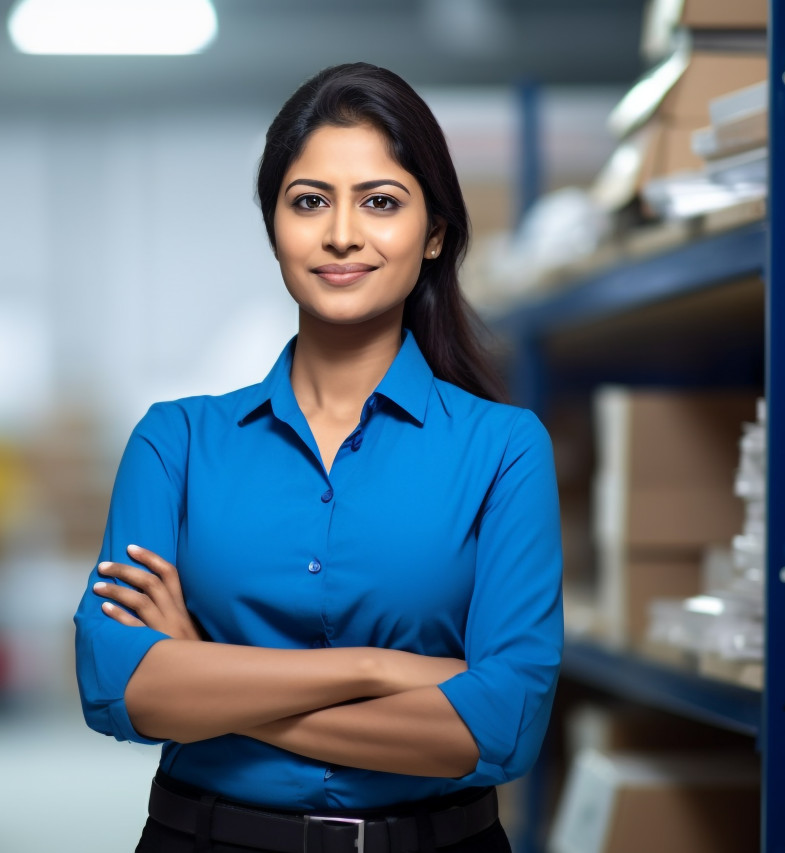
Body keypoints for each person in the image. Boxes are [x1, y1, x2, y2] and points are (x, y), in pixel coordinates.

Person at [73, 62, 562, 853]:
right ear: (274, 226)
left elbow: (502, 726)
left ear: (435, 232)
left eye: (380, 201)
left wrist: (206, 670)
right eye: (309, 201)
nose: (342, 232)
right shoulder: (176, 443)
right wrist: (380, 669)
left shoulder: (504, 450)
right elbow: (118, 685)